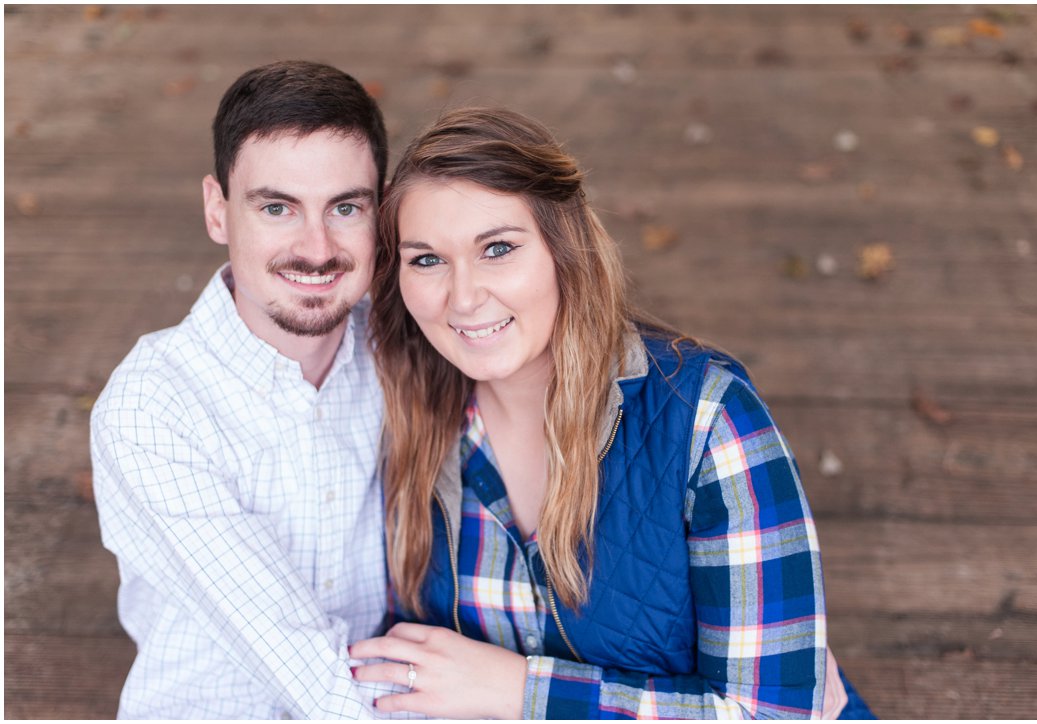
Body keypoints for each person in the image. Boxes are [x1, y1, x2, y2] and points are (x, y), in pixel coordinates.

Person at [349, 108, 875, 719]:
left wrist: (521, 694)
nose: (462, 297)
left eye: (497, 248)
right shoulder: (406, 418)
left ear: (563, 248)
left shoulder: (705, 419)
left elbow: (774, 713)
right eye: (427, 260)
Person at [91, 60, 398, 718]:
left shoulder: (403, 356)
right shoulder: (154, 406)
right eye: (278, 207)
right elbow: (301, 662)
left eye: (345, 207)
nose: (317, 248)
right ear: (217, 211)